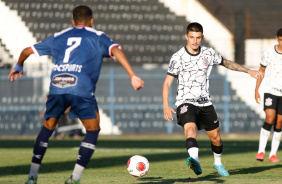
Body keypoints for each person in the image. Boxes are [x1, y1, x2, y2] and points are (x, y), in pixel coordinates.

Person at [8, 5, 144, 184]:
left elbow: (26, 51)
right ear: (91, 21)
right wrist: (132, 75)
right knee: (93, 130)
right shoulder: (97, 36)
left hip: (57, 86)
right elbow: (116, 50)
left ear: (72, 21)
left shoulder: (58, 36)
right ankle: (75, 178)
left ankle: (32, 177)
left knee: (47, 128)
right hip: (81, 87)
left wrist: (19, 65)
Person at [162, 22, 263, 176]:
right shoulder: (177, 57)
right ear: (186, 37)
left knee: (216, 138)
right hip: (185, 101)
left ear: (202, 37)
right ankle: (194, 160)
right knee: (190, 129)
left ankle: (218, 163)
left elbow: (227, 63)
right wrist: (165, 104)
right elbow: (167, 82)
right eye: (191, 37)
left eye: (197, 38)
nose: (195, 41)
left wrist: (248, 70)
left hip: (205, 102)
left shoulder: (208, 53)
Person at [255, 28, 282, 163]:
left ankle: (273, 154)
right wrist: (256, 89)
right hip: (270, 90)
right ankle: (261, 151)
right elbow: (261, 71)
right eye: (281, 40)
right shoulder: (268, 52)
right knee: (270, 118)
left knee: (279, 122)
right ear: (277, 38)